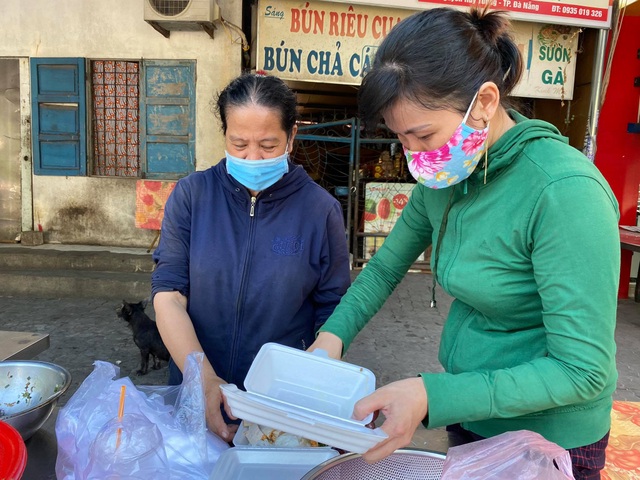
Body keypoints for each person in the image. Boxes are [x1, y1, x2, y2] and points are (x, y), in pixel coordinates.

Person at [308, 7, 619, 479]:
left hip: (551, 438)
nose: (414, 156)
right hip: (470, 410)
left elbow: (582, 370)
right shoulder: (445, 179)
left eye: (423, 135)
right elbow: (385, 267)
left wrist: (432, 395)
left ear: (485, 102)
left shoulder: (564, 193)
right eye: (400, 138)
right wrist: (329, 342)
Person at [152, 73, 351, 442]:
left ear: (292, 137)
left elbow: (334, 308)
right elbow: (168, 295)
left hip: (277, 409)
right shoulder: (192, 196)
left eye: (268, 144)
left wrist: (315, 374)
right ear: (224, 134)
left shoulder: (320, 210)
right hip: (195, 390)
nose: (252, 157)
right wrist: (204, 381)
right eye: (239, 143)